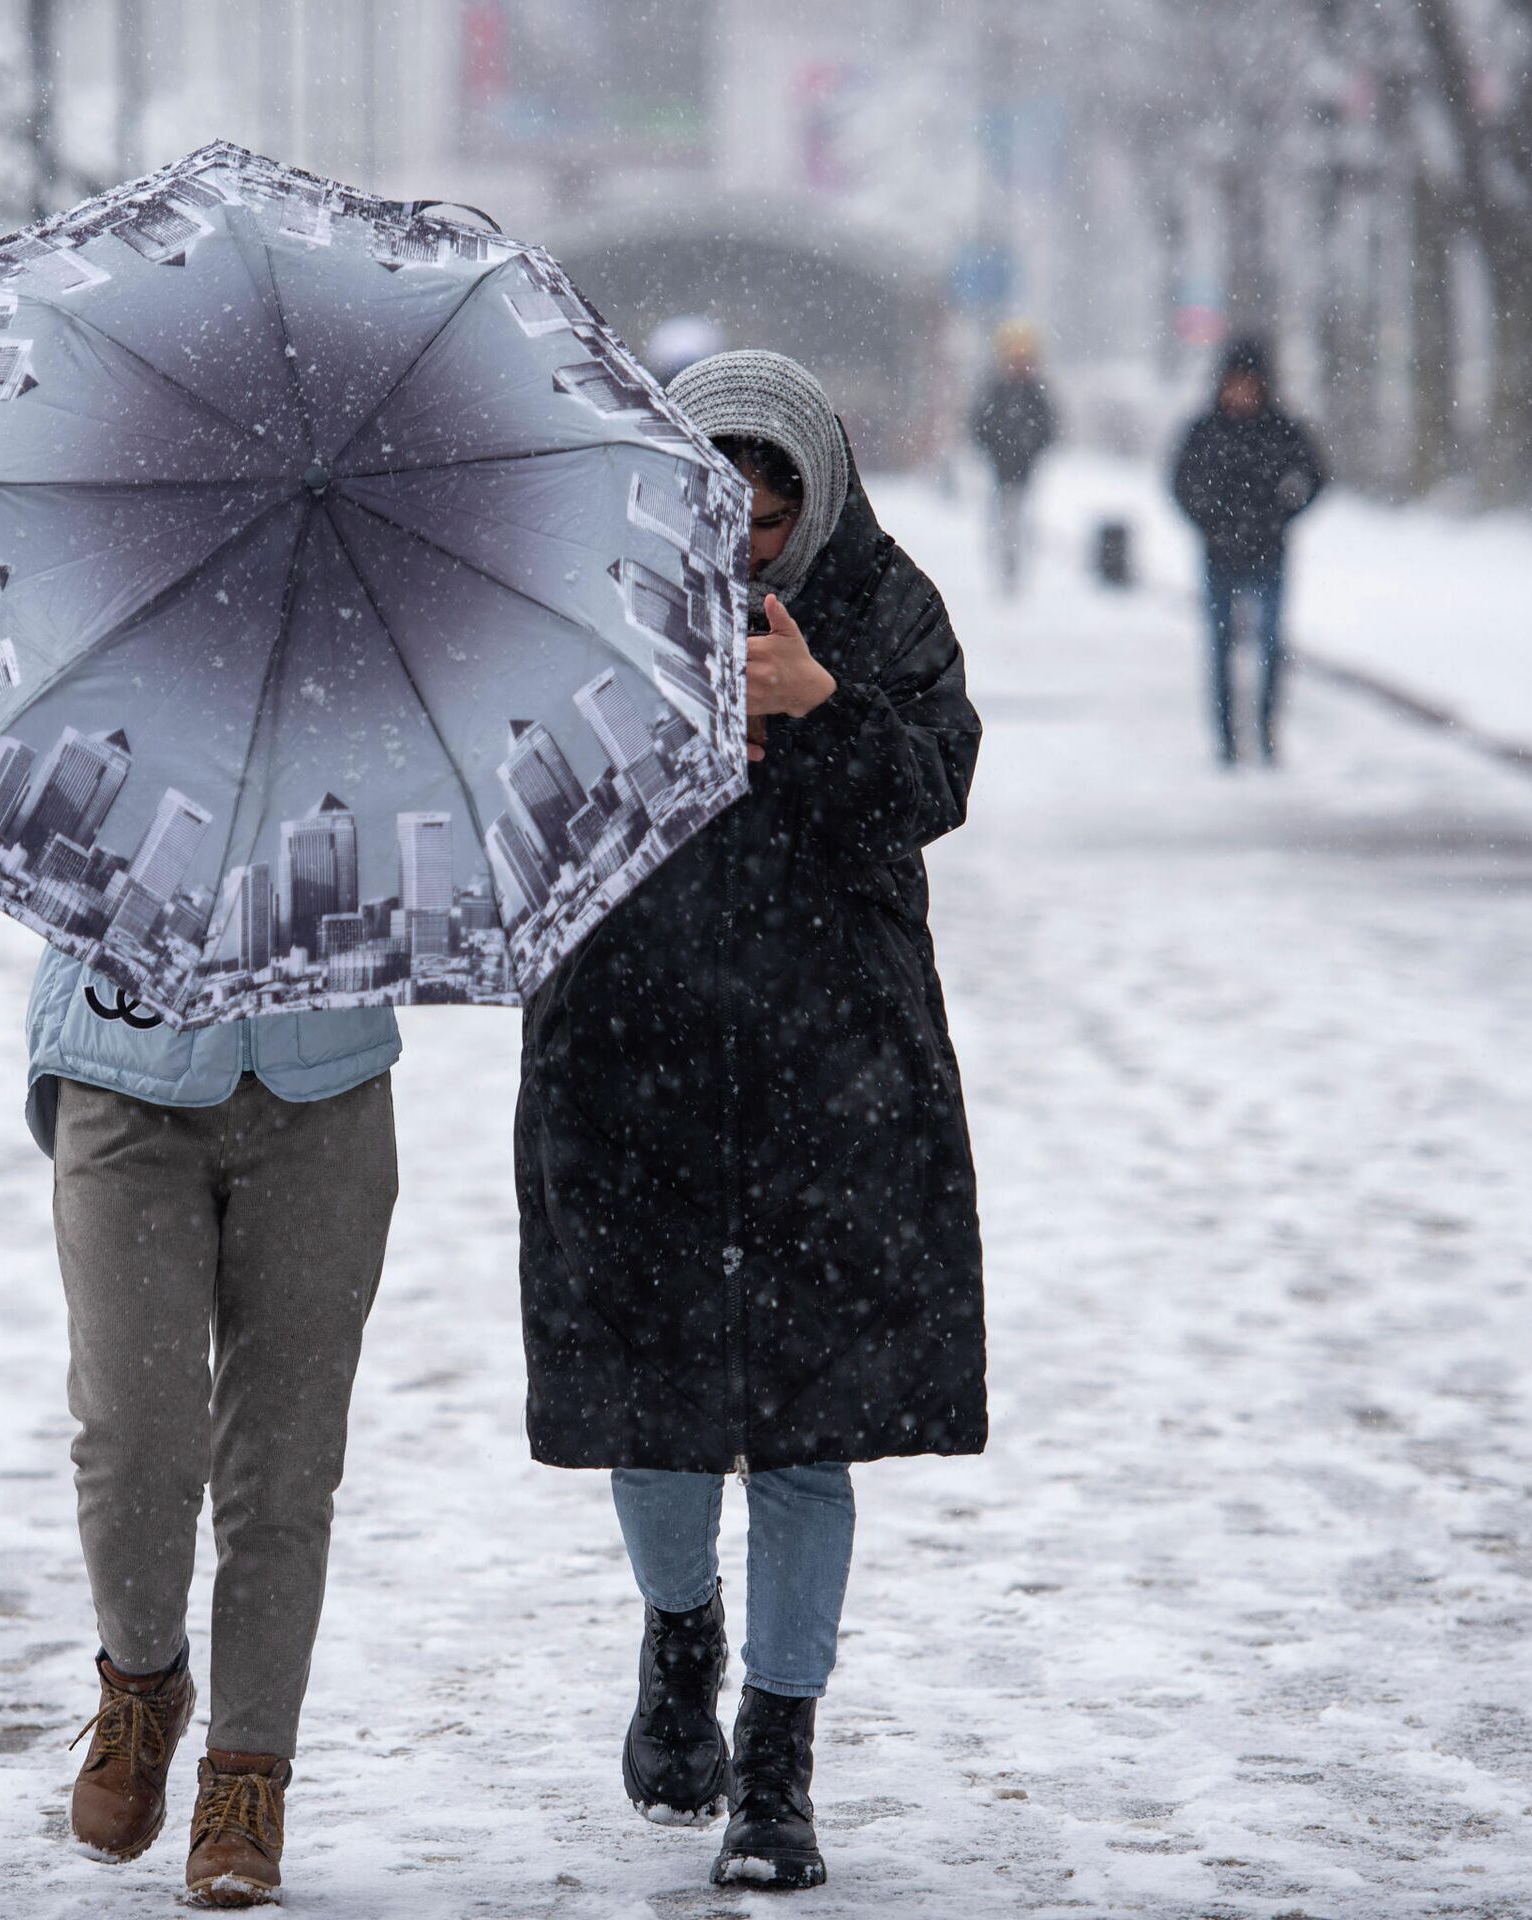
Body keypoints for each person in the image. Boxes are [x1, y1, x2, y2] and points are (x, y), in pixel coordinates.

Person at [515, 351, 985, 1892]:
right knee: (648, 1411)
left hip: (832, 1073)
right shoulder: (589, 604)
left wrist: (821, 706)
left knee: (802, 1431)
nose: (756, 529)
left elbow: (931, 790)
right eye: (726, 502)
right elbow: (528, 806)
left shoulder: (887, 606)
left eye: (779, 500)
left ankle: (776, 1767)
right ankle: (678, 1634)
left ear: (823, 488)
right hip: (630, 1061)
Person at [25, 949, 400, 1907]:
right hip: (124, 1075)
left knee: (285, 1461)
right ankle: (142, 1686)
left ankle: (246, 1778)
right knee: (130, 1440)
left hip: (323, 1084)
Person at [1171, 336, 1327, 766]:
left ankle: (1266, 728)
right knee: (1221, 648)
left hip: (1269, 554)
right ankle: (1226, 738)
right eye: (1235, 383)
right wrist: (1207, 519)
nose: (1242, 392)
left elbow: (1316, 475)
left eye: (1250, 383)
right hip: (1218, 555)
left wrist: (1283, 513)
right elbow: (1179, 481)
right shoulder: (1205, 430)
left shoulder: (1281, 429)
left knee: (1272, 645)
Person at [970, 320, 1059, 594]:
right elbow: (978, 427)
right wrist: (996, 447)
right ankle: (1004, 567)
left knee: (1019, 520)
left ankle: (1016, 569)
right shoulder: (996, 391)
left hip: (1024, 469)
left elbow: (1049, 428)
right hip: (1001, 468)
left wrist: (1030, 448)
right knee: (1003, 519)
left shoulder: (1034, 393)